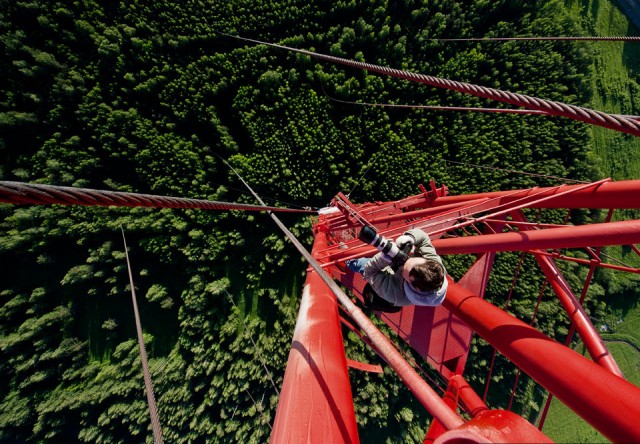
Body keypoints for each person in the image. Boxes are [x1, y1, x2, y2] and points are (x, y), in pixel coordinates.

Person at [346, 228, 447, 307]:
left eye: (404, 269)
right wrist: (411, 237)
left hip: (388, 281)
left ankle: (349, 261)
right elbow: (423, 238)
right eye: (409, 259)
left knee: (362, 264)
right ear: (426, 260)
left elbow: (369, 272)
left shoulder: (396, 295)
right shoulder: (434, 265)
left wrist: (383, 259)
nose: (404, 262)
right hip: (398, 275)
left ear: (411, 285)